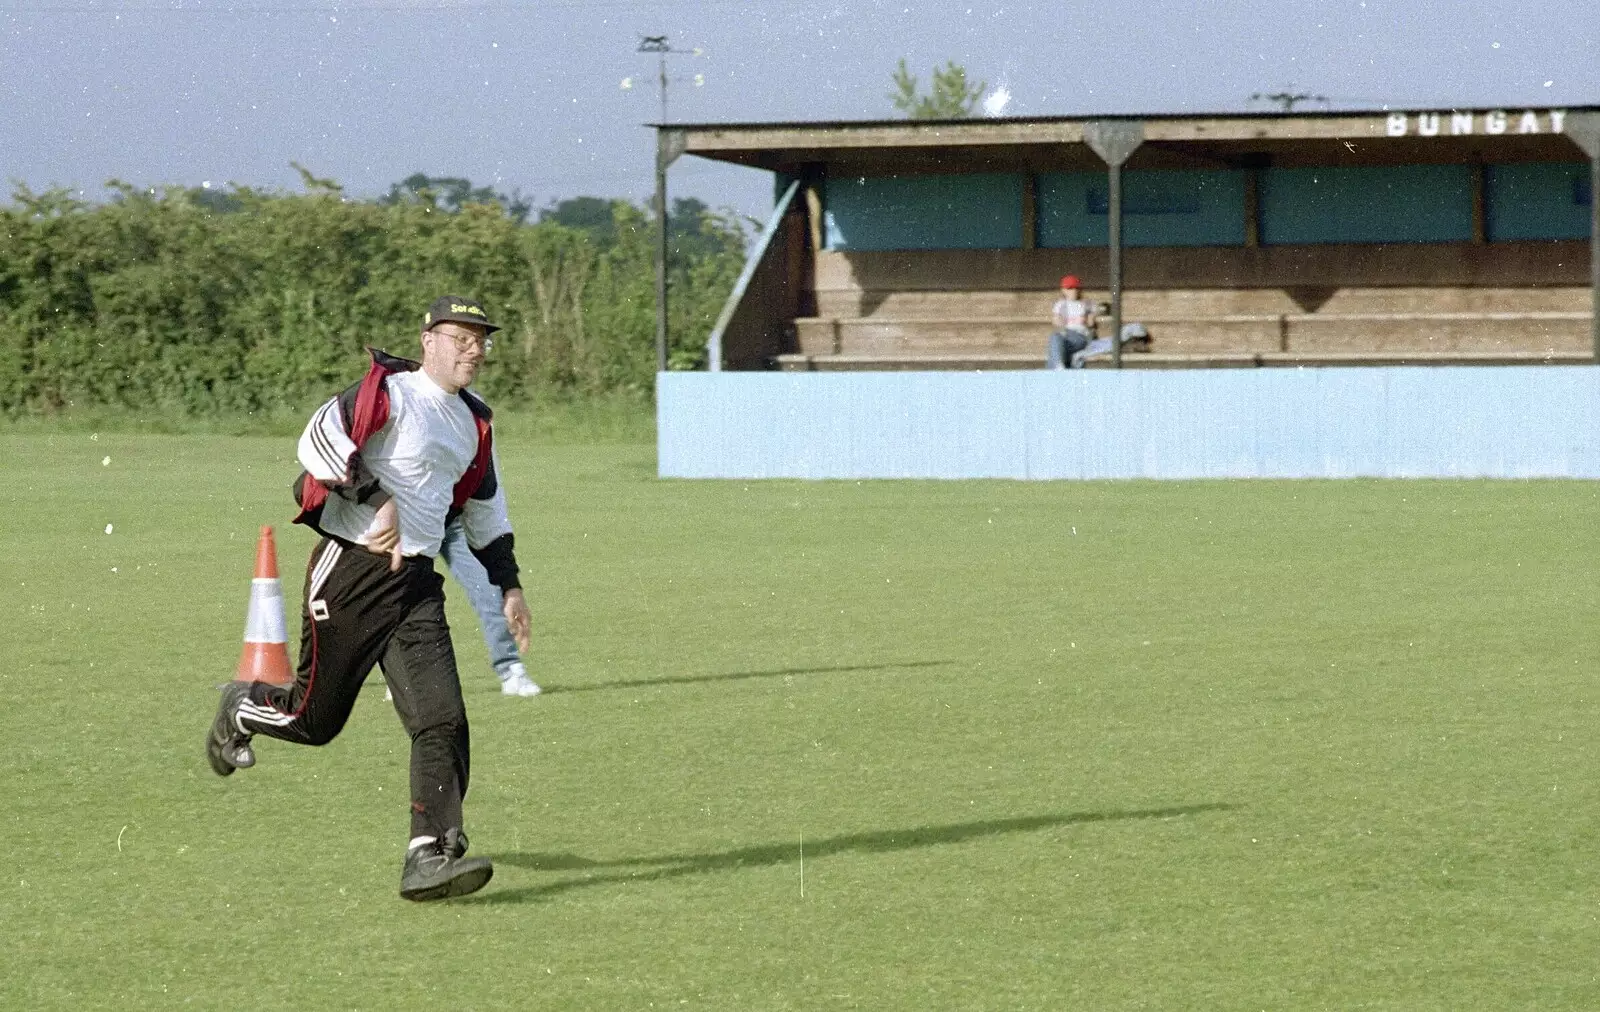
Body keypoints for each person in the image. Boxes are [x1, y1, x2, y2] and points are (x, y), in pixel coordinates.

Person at [205, 295, 532, 902]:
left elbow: (487, 510)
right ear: (427, 338)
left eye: (481, 340)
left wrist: (508, 584)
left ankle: (428, 856)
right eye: (461, 337)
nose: (474, 349)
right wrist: (376, 494)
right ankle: (242, 708)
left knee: (443, 720)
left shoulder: (474, 421)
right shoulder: (390, 392)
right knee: (313, 721)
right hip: (350, 573)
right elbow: (318, 440)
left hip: (414, 587)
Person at [1046, 274, 1097, 369]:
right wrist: (1059, 320)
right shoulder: (1060, 304)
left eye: (1075, 288)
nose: (1073, 291)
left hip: (1080, 337)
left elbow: (1091, 323)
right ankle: (1059, 368)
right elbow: (1056, 322)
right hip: (1065, 337)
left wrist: (1087, 317)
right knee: (1055, 340)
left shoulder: (1086, 303)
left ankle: (1057, 369)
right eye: (1069, 288)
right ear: (1063, 290)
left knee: (1055, 339)